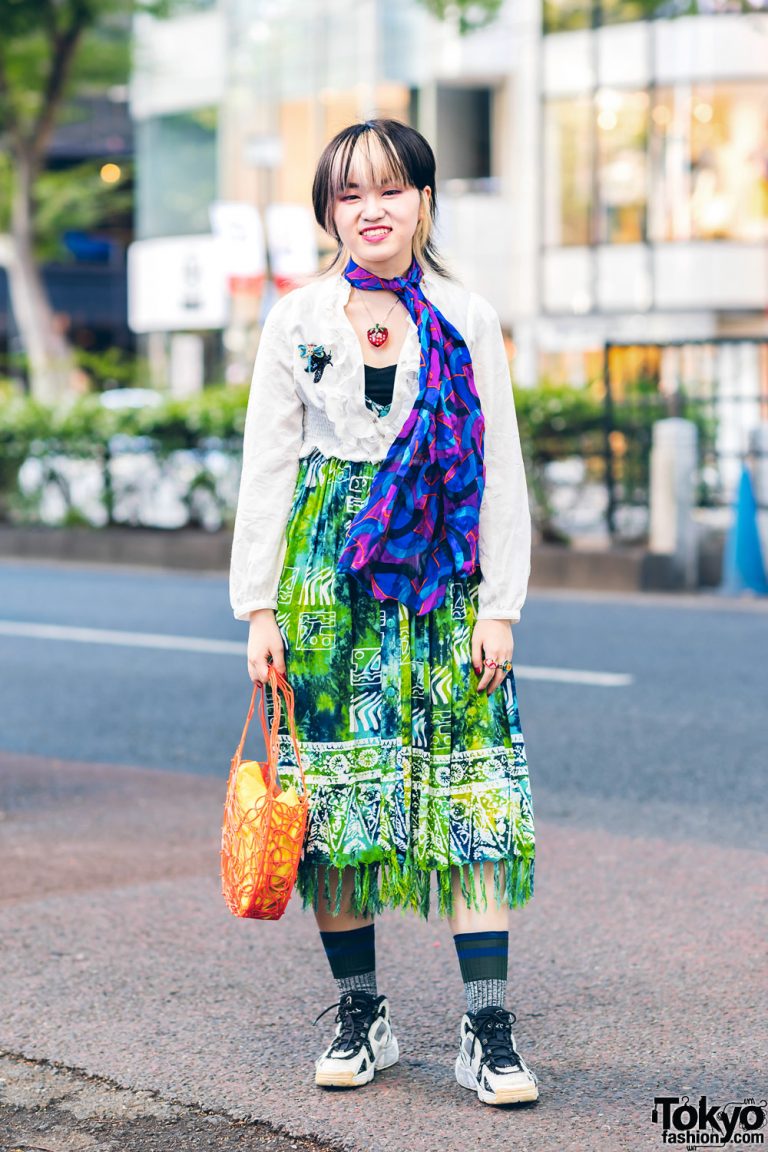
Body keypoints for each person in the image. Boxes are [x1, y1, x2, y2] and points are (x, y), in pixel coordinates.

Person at [229, 119, 537, 1108]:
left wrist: (504, 605)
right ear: (329, 210)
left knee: (474, 792)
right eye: (351, 194)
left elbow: (498, 470)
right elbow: (269, 467)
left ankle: (486, 1028)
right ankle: (362, 1013)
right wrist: (257, 608)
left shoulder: (467, 316)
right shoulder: (297, 319)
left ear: (424, 203)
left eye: (392, 190)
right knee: (335, 801)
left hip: (446, 573)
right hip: (327, 576)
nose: (373, 210)